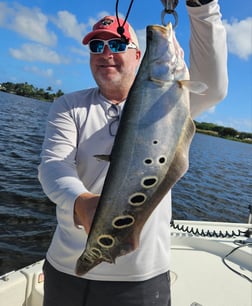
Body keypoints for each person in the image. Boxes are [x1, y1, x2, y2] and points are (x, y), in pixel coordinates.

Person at [38, 1, 228, 305]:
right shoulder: (69, 106)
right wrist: (83, 203)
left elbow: (214, 87)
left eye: (117, 43)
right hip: (66, 268)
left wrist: (202, 8)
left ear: (138, 55)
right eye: (96, 46)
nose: (105, 53)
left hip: (141, 278)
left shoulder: (172, 101)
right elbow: (53, 167)